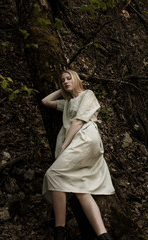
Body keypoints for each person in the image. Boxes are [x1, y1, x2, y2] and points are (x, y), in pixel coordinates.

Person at [41, 69, 115, 240]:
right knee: (81, 189)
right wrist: (64, 88)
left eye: (69, 78)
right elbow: (45, 101)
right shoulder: (67, 103)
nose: (66, 81)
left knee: (53, 174)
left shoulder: (87, 94)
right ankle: (103, 236)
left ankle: (60, 231)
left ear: (77, 79)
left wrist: (63, 148)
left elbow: (79, 121)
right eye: (62, 80)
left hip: (85, 139)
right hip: (79, 143)